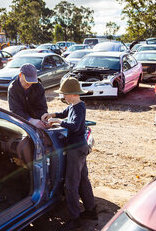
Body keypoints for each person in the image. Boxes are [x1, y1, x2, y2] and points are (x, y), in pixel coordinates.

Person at [42, 77, 97, 230]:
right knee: (83, 179)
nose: (63, 97)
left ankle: (75, 219)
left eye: (65, 94)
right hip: (80, 148)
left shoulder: (80, 107)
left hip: (76, 149)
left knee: (71, 185)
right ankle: (91, 211)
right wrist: (51, 114)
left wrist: (58, 122)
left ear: (73, 94)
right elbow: (63, 113)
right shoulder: (73, 106)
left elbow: (74, 125)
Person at [7, 63, 48, 129]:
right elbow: (15, 111)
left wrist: (43, 119)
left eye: (32, 81)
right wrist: (30, 120)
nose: (29, 83)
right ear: (20, 75)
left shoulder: (38, 86)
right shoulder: (13, 88)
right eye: (27, 80)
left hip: (37, 120)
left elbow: (42, 107)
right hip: (21, 121)